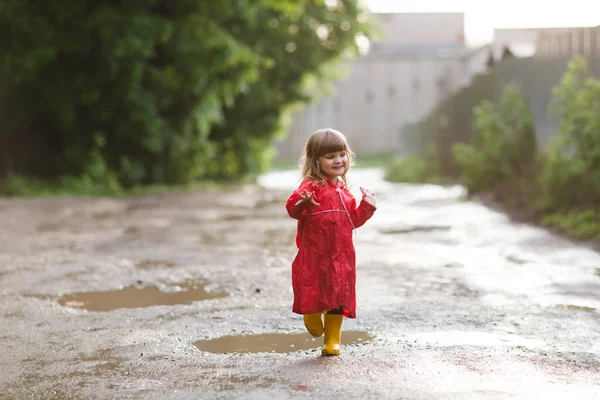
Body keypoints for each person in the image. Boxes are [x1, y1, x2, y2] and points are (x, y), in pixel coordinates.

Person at [285, 128, 377, 356]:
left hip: (342, 256)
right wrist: (303, 202)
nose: (338, 160)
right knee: (315, 288)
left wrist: (367, 206)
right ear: (316, 161)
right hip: (315, 255)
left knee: (339, 296)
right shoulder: (310, 188)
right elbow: (293, 210)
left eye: (341, 154)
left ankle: (332, 340)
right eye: (330, 156)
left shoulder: (345, 193)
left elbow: (353, 221)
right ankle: (311, 313)